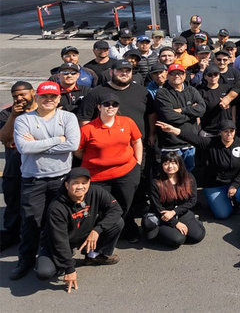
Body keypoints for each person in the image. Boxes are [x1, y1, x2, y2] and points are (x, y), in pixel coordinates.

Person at [11, 81, 80, 280]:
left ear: (58, 98)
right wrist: (58, 140)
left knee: (59, 221)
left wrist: (39, 145)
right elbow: (24, 147)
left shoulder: (68, 117)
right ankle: (25, 260)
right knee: (30, 222)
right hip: (33, 180)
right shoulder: (24, 120)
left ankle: (59, 256)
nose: (48, 100)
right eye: (44, 96)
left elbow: (73, 144)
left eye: (53, 96)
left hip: (61, 179)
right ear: (37, 97)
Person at [36, 167, 124, 289]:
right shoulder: (56, 207)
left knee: (117, 222)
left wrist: (97, 230)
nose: (80, 187)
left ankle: (93, 256)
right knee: (44, 273)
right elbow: (59, 241)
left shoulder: (96, 192)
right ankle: (62, 260)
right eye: (75, 183)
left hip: (84, 235)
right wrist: (69, 269)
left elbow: (116, 210)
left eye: (84, 183)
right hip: (58, 242)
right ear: (67, 185)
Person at [75, 91, 142, 241]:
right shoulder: (88, 129)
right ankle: (105, 234)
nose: (110, 107)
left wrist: (138, 163)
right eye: (106, 104)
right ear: (99, 107)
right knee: (104, 208)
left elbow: (137, 141)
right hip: (98, 177)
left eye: (114, 104)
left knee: (126, 205)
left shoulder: (127, 122)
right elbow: (78, 151)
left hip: (126, 172)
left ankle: (128, 230)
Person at [155, 119, 240, 220]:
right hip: (215, 184)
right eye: (225, 131)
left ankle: (237, 203)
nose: (229, 134)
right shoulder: (210, 143)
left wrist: (235, 185)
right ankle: (220, 201)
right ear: (220, 132)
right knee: (222, 214)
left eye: (231, 131)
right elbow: (192, 138)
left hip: (235, 180)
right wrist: (173, 130)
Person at [0, 81, 36, 251]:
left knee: (35, 205)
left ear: (33, 93)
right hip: (14, 167)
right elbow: (4, 139)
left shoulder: (42, 111)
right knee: (13, 202)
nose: (19, 98)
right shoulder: (6, 114)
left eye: (23, 94)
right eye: (15, 96)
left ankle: (37, 236)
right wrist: (14, 116)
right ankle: (11, 234)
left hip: (37, 168)